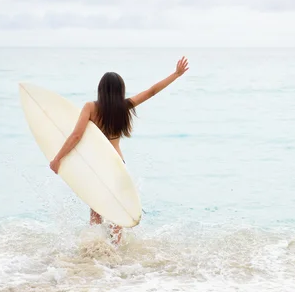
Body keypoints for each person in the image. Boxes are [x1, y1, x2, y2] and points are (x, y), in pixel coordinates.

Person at [49, 56, 190, 244]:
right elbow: (151, 92)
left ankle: (95, 247)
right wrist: (176, 74)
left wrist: (57, 158)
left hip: (96, 166)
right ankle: (116, 248)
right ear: (120, 90)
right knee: (117, 208)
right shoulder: (124, 107)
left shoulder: (91, 107)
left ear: (100, 89)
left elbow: (76, 136)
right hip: (117, 164)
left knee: (96, 208)